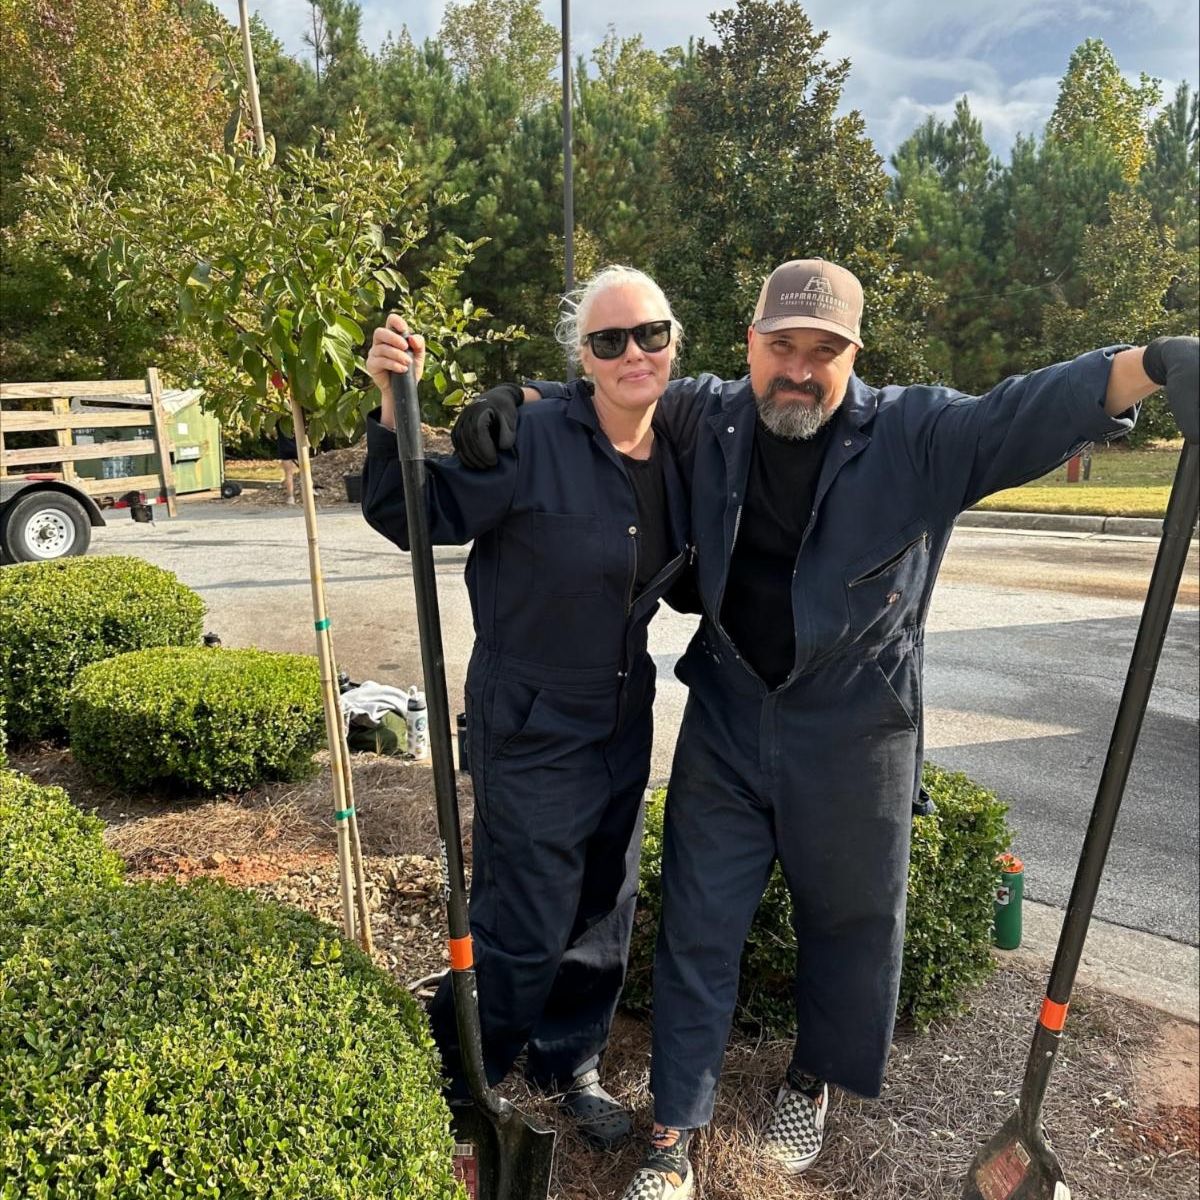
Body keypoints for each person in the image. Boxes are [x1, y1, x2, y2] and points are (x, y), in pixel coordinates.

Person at [451, 257, 1198, 1200]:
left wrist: (1155, 362)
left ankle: (811, 1080)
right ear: (750, 345)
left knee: (849, 922)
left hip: (857, 726)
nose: (798, 370)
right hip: (730, 713)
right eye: (782, 347)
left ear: (855, 353)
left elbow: (1023, 411)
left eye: (823, 351)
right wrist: (516, 398)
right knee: (698, 922)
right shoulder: (709, 414)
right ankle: (674, 1133)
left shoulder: (917, 435)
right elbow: (617, 383)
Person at [360, 265, 693, 1147]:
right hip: (531, 717)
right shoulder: (531, 438)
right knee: (524, 913)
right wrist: (392, 403)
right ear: (583, 356)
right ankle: (458, 1073)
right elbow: (410, 510)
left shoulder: (684, 442)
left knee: (604, 898)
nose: (633, 353)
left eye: (650, 334)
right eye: (608, 340)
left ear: (673, 344)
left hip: (622, 712)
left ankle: (567, 1060)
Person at [276, 426, 299, 505]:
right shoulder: (298, 419)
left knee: (288, 474)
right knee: (305, 471)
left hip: (284, 447)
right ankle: (310, 490)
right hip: (298, 446)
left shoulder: (278, 420)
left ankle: (290, 498)